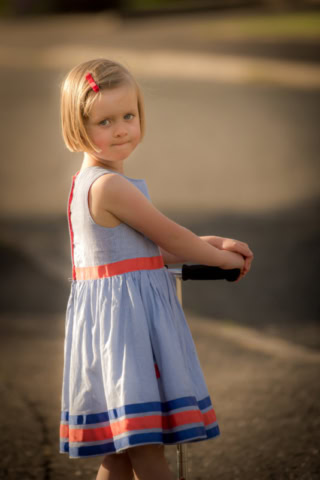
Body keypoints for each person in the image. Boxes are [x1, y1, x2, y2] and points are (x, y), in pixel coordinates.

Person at [59, 58, 253, 480]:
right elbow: (171, 240)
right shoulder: (110, 186)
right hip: (126, 336)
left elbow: (144, 250)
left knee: (119, 453)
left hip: (112, 334)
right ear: (77, 127)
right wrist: (219, 258)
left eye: (129, 115)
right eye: (104, 121)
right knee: (146, 454)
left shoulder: (89, 183)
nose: (122, 128)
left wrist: (211, 244)